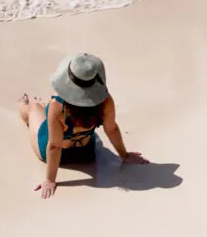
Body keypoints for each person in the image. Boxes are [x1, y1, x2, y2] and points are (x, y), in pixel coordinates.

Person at [18, 52, 149, 199]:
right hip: (86, 152)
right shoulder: (105, 102)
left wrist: (50, 179)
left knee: (34, 108)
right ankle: (41, 109)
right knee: (54, 114)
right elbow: (111, 129)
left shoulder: (57, 105)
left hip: (56, 156)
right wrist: (125, 156)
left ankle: (25, 105)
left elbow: (54, 146)